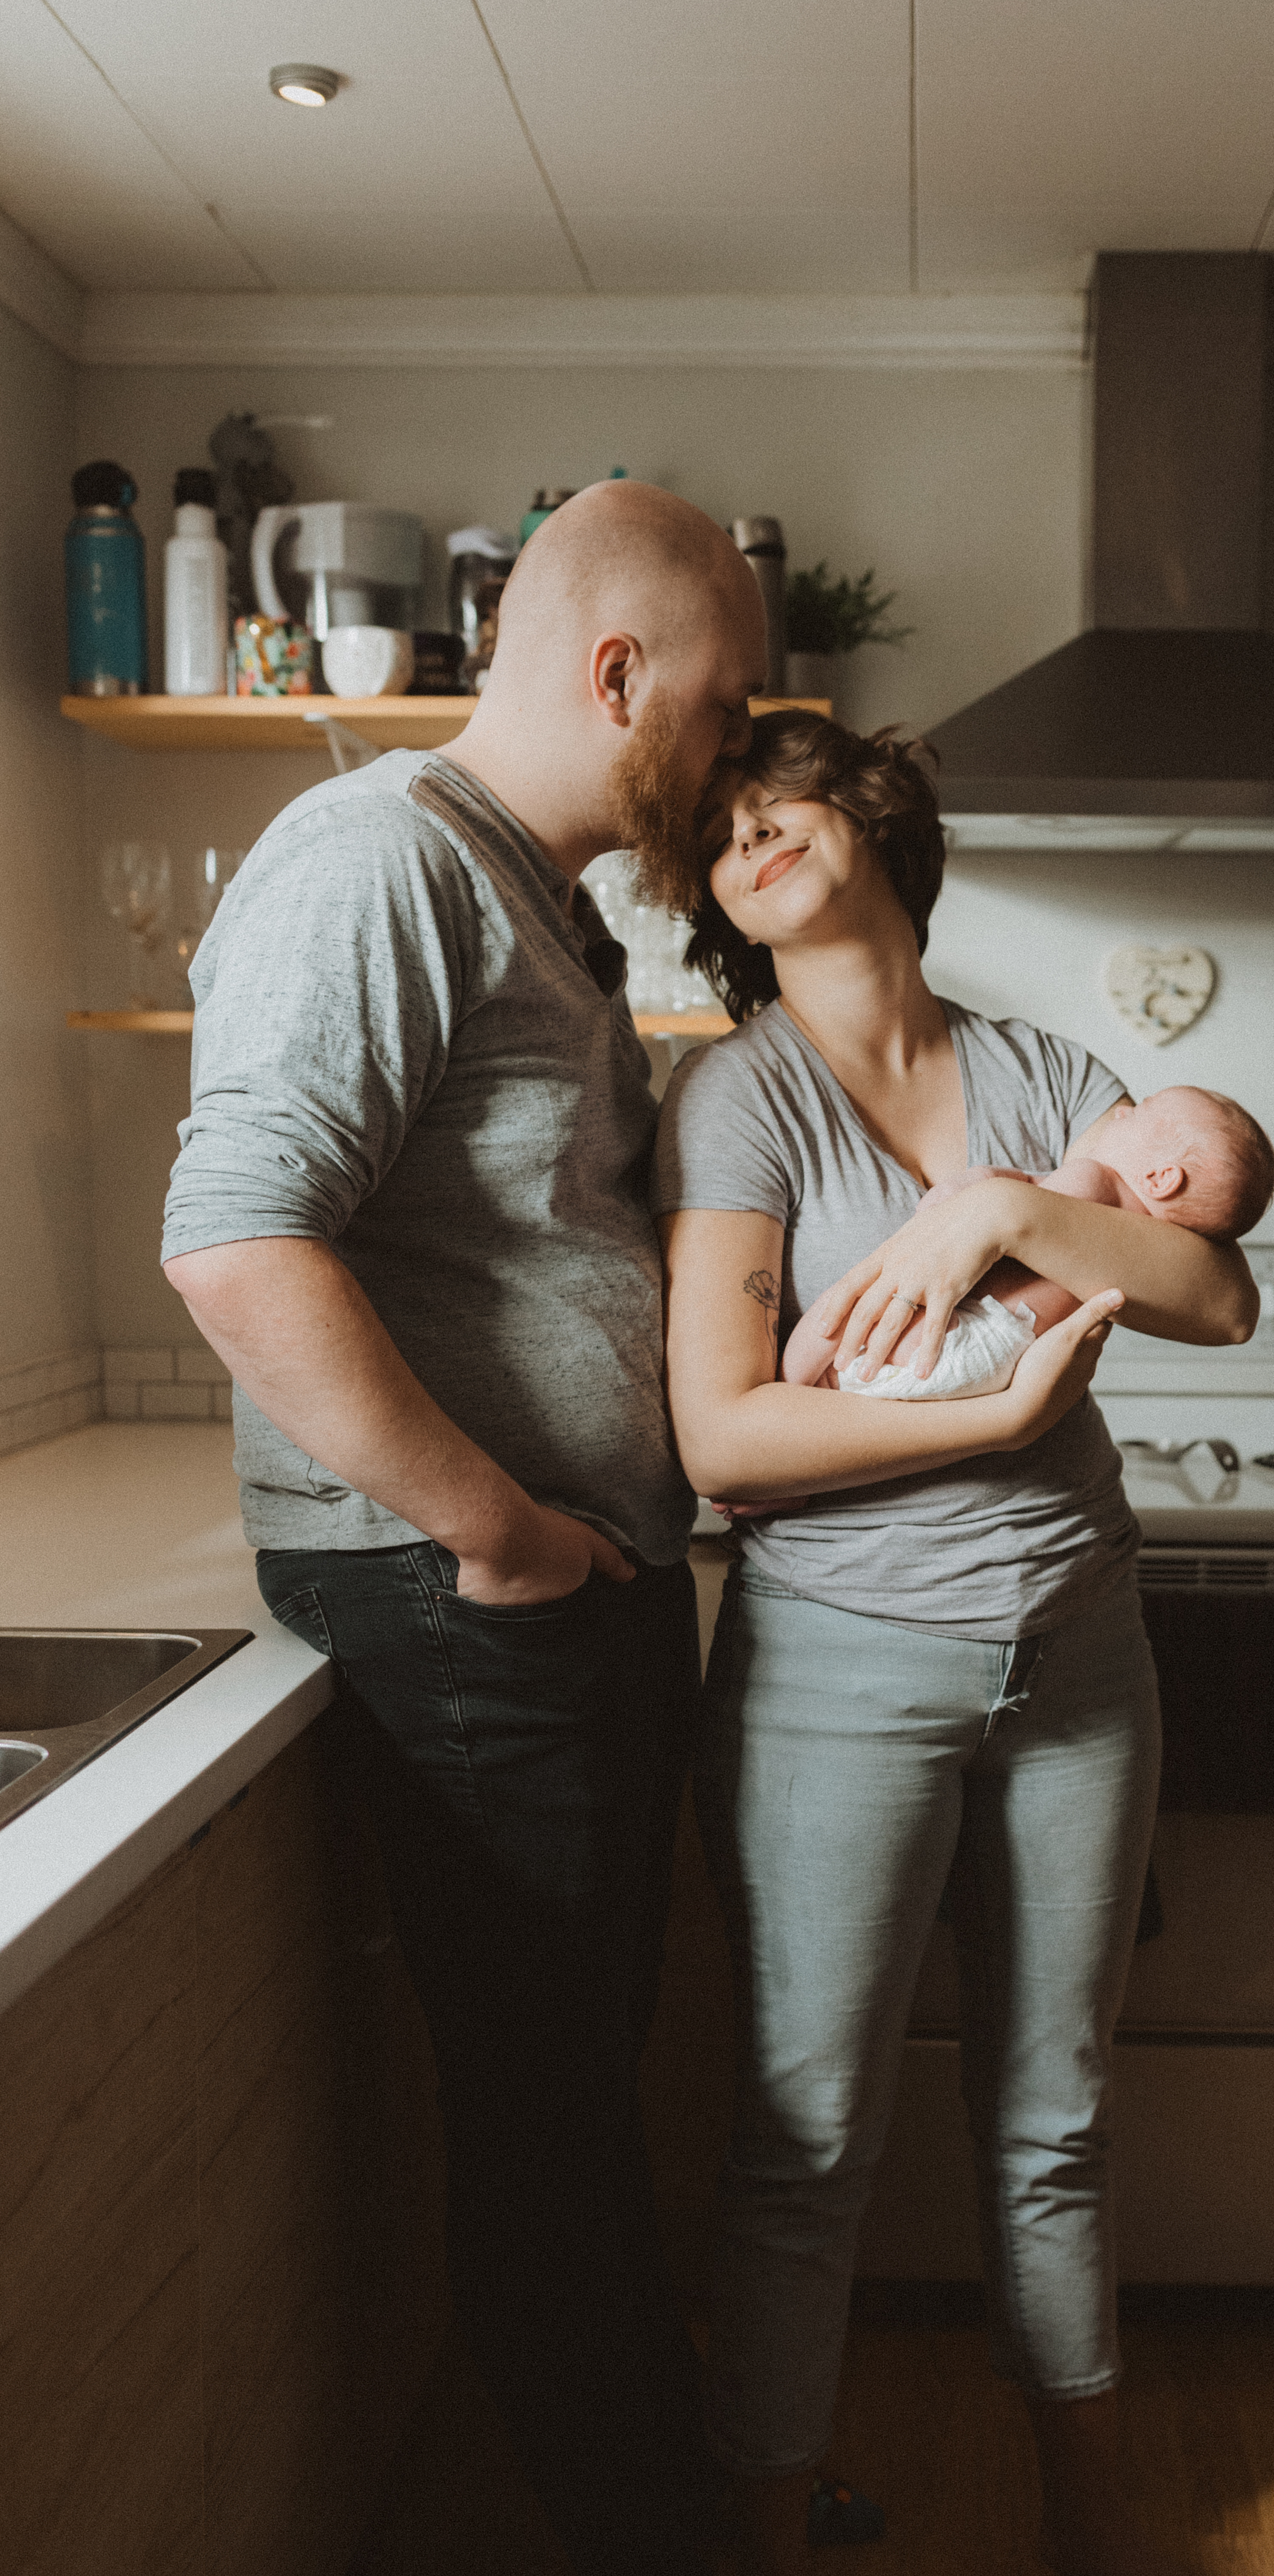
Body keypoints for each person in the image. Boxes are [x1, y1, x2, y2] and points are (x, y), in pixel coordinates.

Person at [161, 482, 768, 2576]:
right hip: (466, 1597)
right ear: (616, 674)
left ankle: (659, 2498)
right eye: (728, 696)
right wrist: (500, 1528)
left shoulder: (533, 892)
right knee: (551, 2127)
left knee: (580, 2103)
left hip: (537, 1594)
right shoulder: (377, 860)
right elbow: (238, 1242)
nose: (743, 741)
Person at [650, 711, 1258, 2576]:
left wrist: (1006, 1199)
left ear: (875, 816)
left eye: (783, 796)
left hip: (1081, 1658)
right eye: (722, 827)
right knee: (805, 2142)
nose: (749, 831)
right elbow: (722, 1441)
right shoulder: (737, 1100)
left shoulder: (1036, 1070)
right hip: (840, 1677)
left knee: (1056, 2121)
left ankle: (1096, 2535)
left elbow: (1214, 1290)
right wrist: (983, 1428)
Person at [779, 1082, 1274, 1400]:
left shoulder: (1092, 1179)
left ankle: (791, 1389)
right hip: (1002, 1362)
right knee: (868, 1388)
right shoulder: (1145, 1242)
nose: (1121, 1114)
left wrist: (970, 1191)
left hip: (966, 1332)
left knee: (833, 1325)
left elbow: (1003, 1217)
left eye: (1141, 1111)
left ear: (1162, 1177)